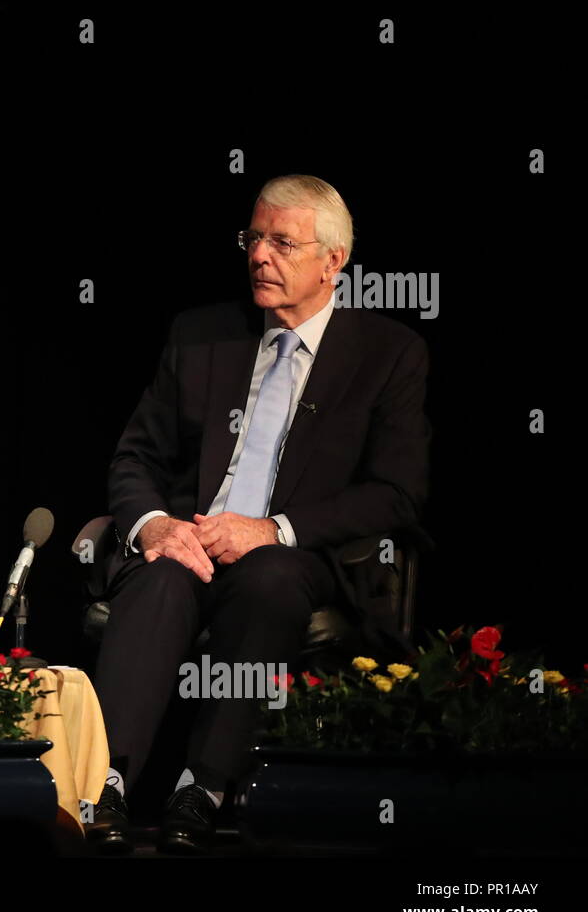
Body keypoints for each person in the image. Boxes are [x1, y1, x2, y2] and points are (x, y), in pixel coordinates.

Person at [91, 175, 429, 854]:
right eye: (253, 239)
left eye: (281, 242)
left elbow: (395, 493)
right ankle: (105, 784)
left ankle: (203, 788)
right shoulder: (201, 335)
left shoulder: (388, 354)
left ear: (333, 260)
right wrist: (155, 526)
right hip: (191, 538)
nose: (258, 256)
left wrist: (274, 530)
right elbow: (134, 460)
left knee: (267, 579)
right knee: (159, 573)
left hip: (293, 554)